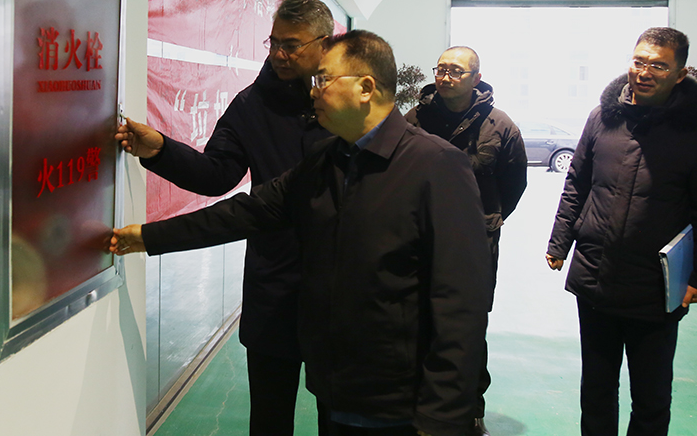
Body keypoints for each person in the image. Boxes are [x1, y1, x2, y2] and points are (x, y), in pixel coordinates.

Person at [112, 30, 493, 436]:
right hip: (338, 390)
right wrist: (147, 237)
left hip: (404, 404)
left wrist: (442, 414)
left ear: (366, 88)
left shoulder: (436, 166)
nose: (313, 92)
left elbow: (461, 301)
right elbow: (247, 212)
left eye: (323, 80)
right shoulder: (326, 160)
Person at [116, 0, 334, 436]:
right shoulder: (251, 104)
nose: (279, 54)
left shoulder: (345, 102)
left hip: (341, 288)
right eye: (274, 42)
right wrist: (160, 150)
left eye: (292, 45)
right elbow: (217, 174)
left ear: (324, 44)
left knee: (343, 416)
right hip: (275, 283)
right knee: (269, 418)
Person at [545, 27, 697, 436]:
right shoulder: (602, 118)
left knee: (651, 395)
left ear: (680, 74)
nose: (644, 72)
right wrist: (560, 241)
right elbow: (577, 182)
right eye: (639, 61)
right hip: (595, 276)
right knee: (596, 388)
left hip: (655, 288)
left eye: (658, 66)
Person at [405, 46, 526, 436]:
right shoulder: (414, 120)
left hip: (476, 243)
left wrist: (485, 220)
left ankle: (471, 409)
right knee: (417, 319)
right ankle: (415, 404)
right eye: (441, 69)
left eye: (455, 71)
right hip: (420, 238)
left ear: (476, 78)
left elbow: (514, 184)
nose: (445, 77)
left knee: (468, 326)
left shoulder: (500, 126)